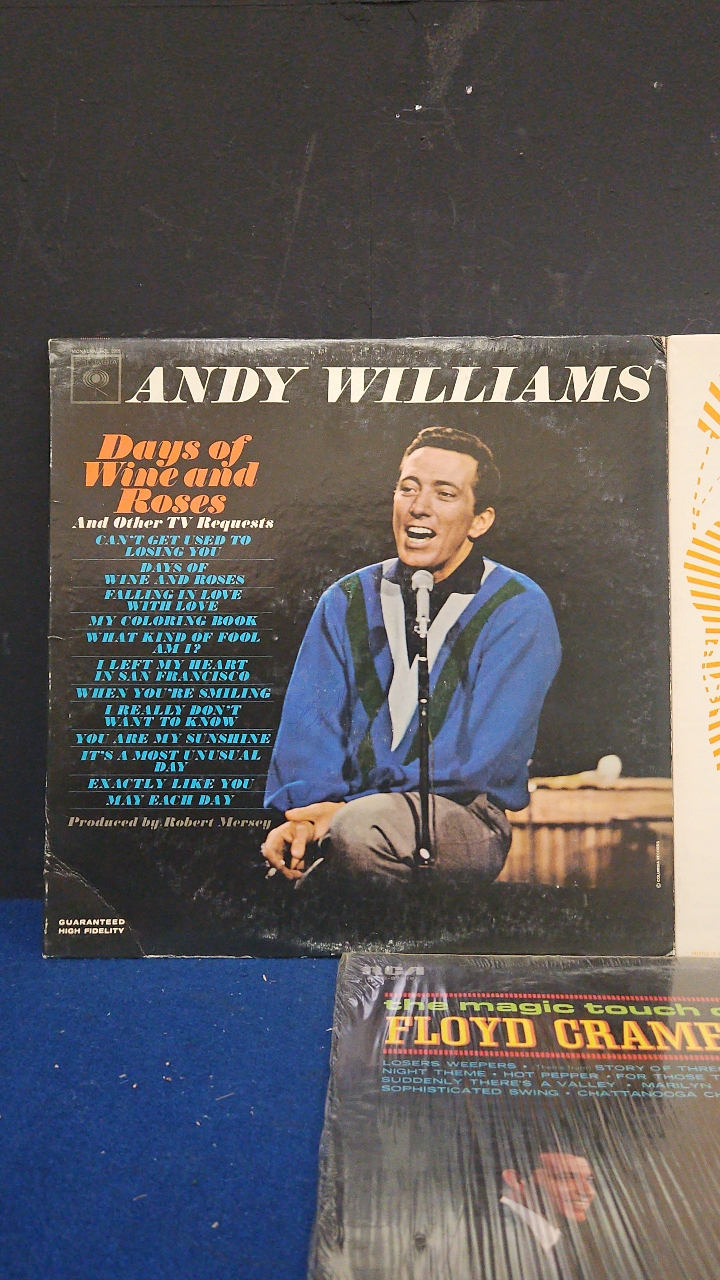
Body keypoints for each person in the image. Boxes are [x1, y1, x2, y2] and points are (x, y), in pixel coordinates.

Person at [262, 426, 561, 884]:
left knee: (358, 831)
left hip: (461, 815)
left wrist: (343, 811)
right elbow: (308, 730)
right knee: (286, 866)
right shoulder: (346, 598)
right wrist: (304, 817)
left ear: (479, 521)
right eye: (408, 488)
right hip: (344, 817)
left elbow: (477, 760)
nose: (419, 506)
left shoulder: (518, 606)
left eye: (445, 493)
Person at [499, 1150, 598, 1279]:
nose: (588, 1191)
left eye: (589, 1179)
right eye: (566, 1177)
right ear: (517, 1180)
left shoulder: (554, 1237)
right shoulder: (499, 1235)